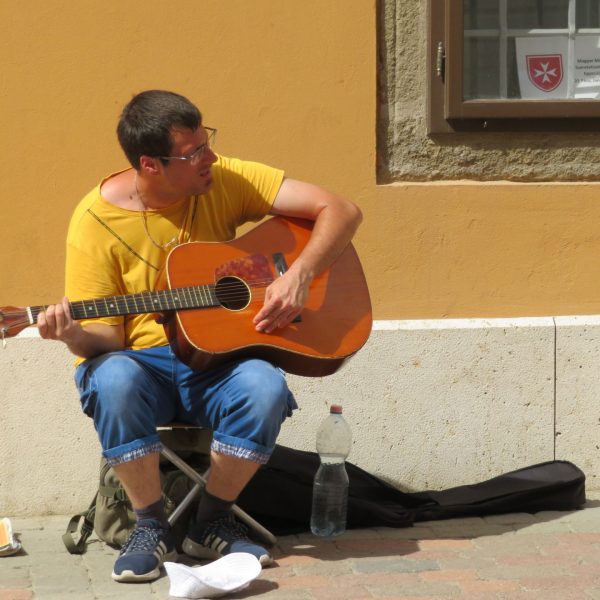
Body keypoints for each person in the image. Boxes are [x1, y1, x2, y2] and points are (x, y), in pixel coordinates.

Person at [37, 90, 362, 583]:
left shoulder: (221, 176)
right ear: (150, 165)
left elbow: (342, 210)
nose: (209, 158)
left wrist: (299, 274)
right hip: (142, 364)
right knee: (112, 379)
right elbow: (105, 335)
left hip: (219, 362)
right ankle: (150, 525)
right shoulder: (94, 221)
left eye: (206, 142)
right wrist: (71, 336)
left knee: (264, 386)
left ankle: (211, 519)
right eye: (192, 154)